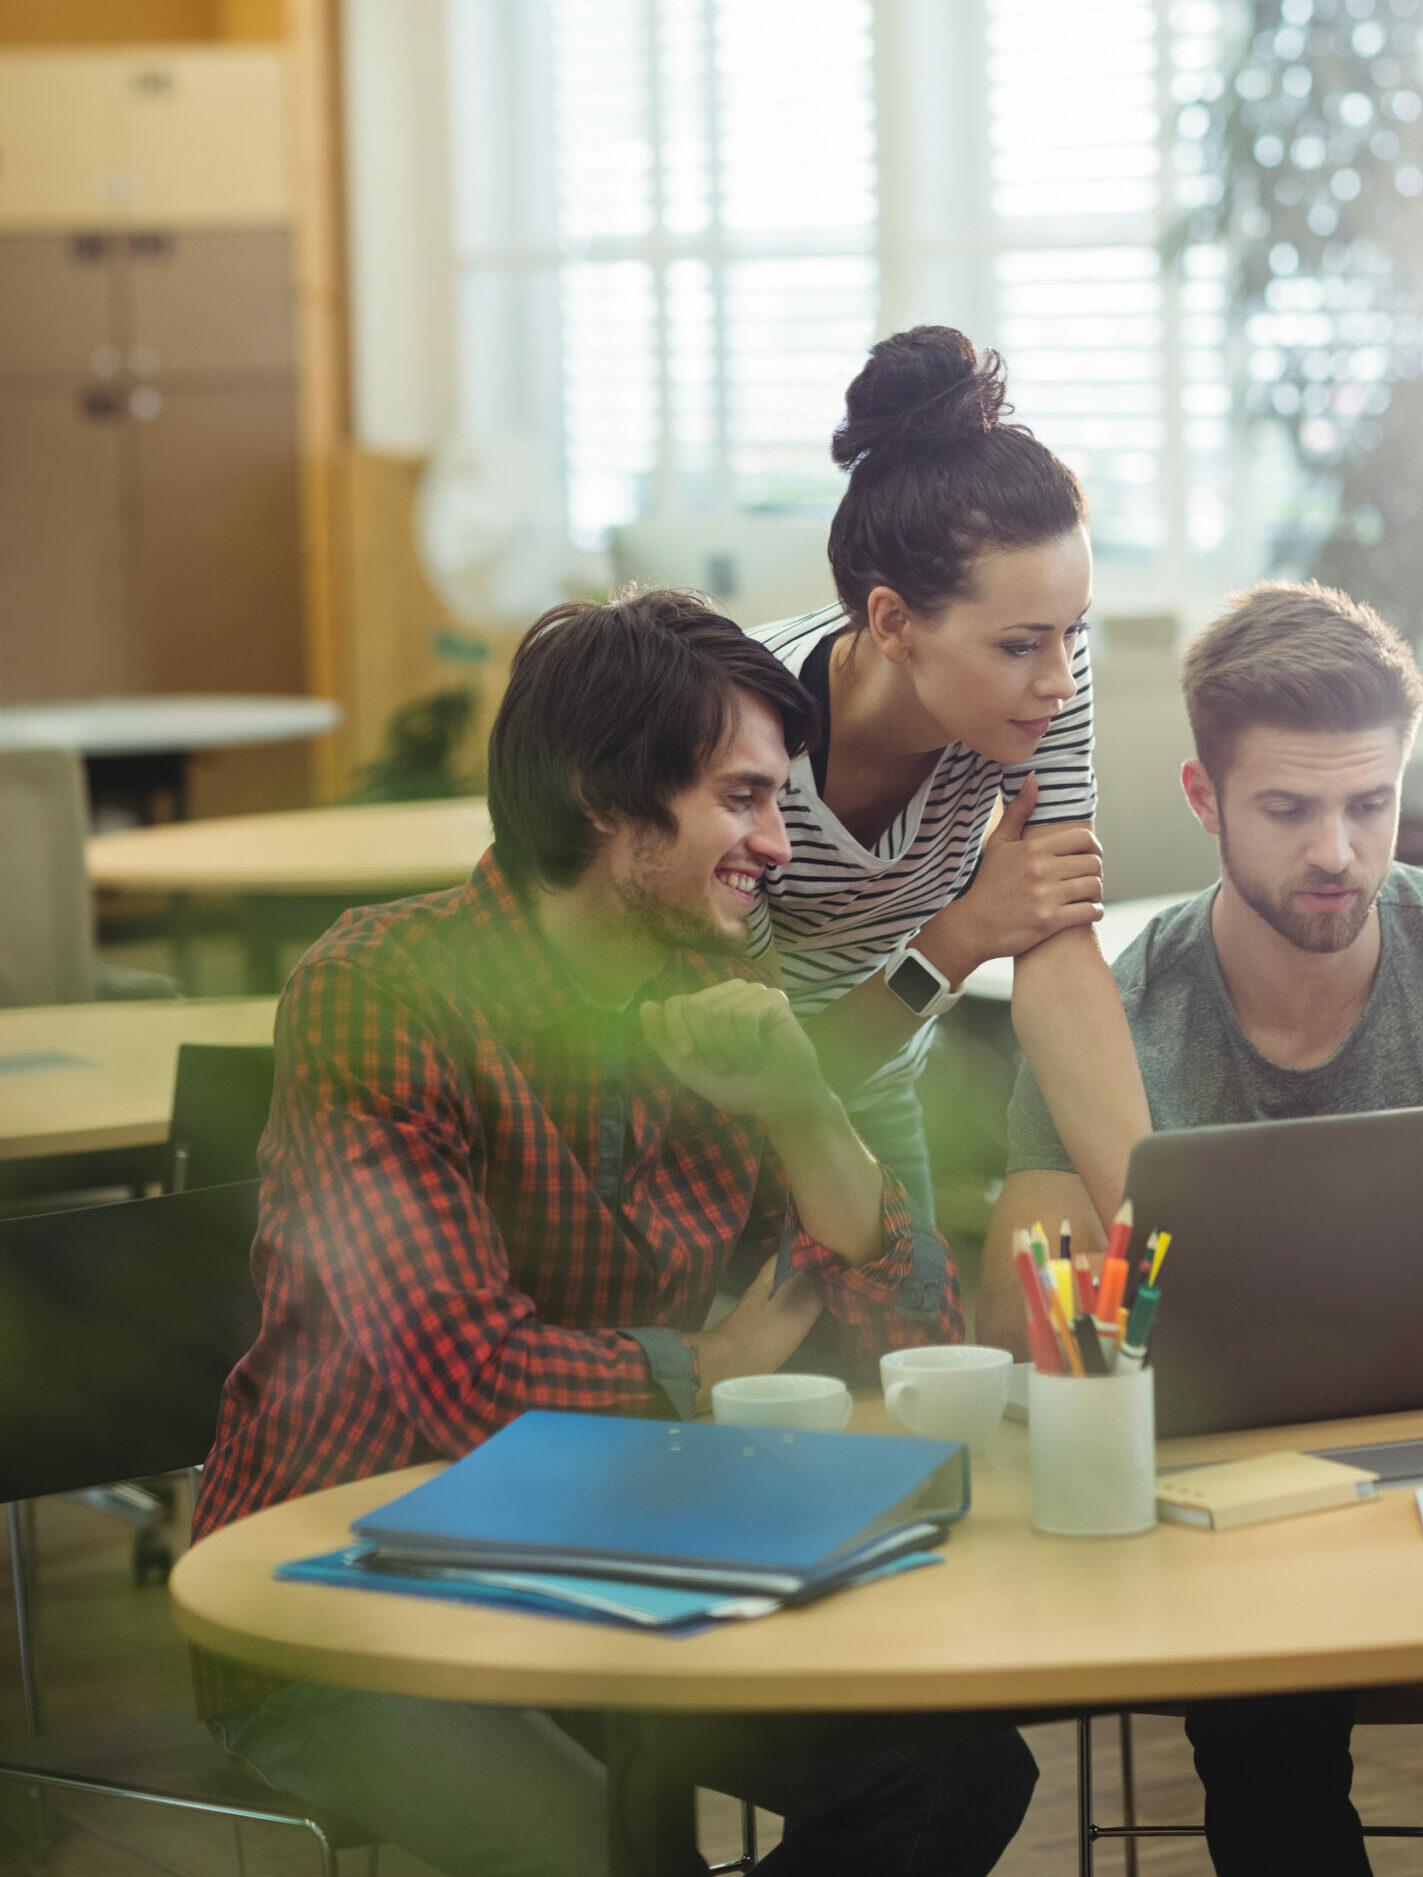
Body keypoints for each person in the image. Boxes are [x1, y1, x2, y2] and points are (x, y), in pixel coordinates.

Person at [192, 589, 1037, 1877]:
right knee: (624, 1856)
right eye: (741, 799)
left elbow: (909, 1343)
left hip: (629, 1567)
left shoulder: (715, 996)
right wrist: (701, 1372)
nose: (778, 846)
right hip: (350, 1595)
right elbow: (460, 1378)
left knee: (958, 1773)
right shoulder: (378, 992)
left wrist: (806, 1107)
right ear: (602, 796)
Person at [981, 579, 1423, 1875]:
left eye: (1367, 805)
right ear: (1203, 801)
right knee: (1258, 1738)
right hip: (1239, 1516)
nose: (1335, 851)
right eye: (1287, 809)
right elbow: (1017, 1310)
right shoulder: (1118, 1022)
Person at [745, 325, 1146, 1227]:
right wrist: (962, 934)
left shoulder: (1037, 690)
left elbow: (1055, 941)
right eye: (1019, 643)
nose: (1059, 676)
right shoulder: (741, 735)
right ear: (892, 623)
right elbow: (771, 1079)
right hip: (719, 1133)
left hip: (885, 1097)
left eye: (1074, 630)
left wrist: (1148, 1221)